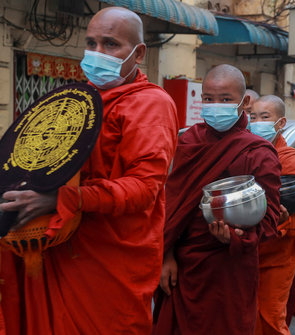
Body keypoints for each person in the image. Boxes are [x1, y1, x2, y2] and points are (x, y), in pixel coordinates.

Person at [0, 7, 179, 334]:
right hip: (59, 244)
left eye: (111, 45)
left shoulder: (150, 104)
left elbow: (144, 189)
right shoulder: (78, 100)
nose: (97, 54)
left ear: (138, 53)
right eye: (91, 43)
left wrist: (66, 199)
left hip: (110, 259)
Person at [152, 65, 281, 335]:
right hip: (182, 265)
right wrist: (166, 254)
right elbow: (169, 205)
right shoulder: (188, 141)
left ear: (245, 102)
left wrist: (234, 237)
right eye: (208, 99)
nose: (215, 106)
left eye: (225, 99)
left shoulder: (258, 152)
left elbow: (269, 221)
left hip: (228, 270)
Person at [250, 95, 295, 335]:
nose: (257, 122)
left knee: (270, 317)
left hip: (279, 252)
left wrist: (283, 221)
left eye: (264, 117)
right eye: (253, 117)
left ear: (281, 123)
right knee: (246, 316)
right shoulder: (247, 153)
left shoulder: (292, 160)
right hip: (247, 248)